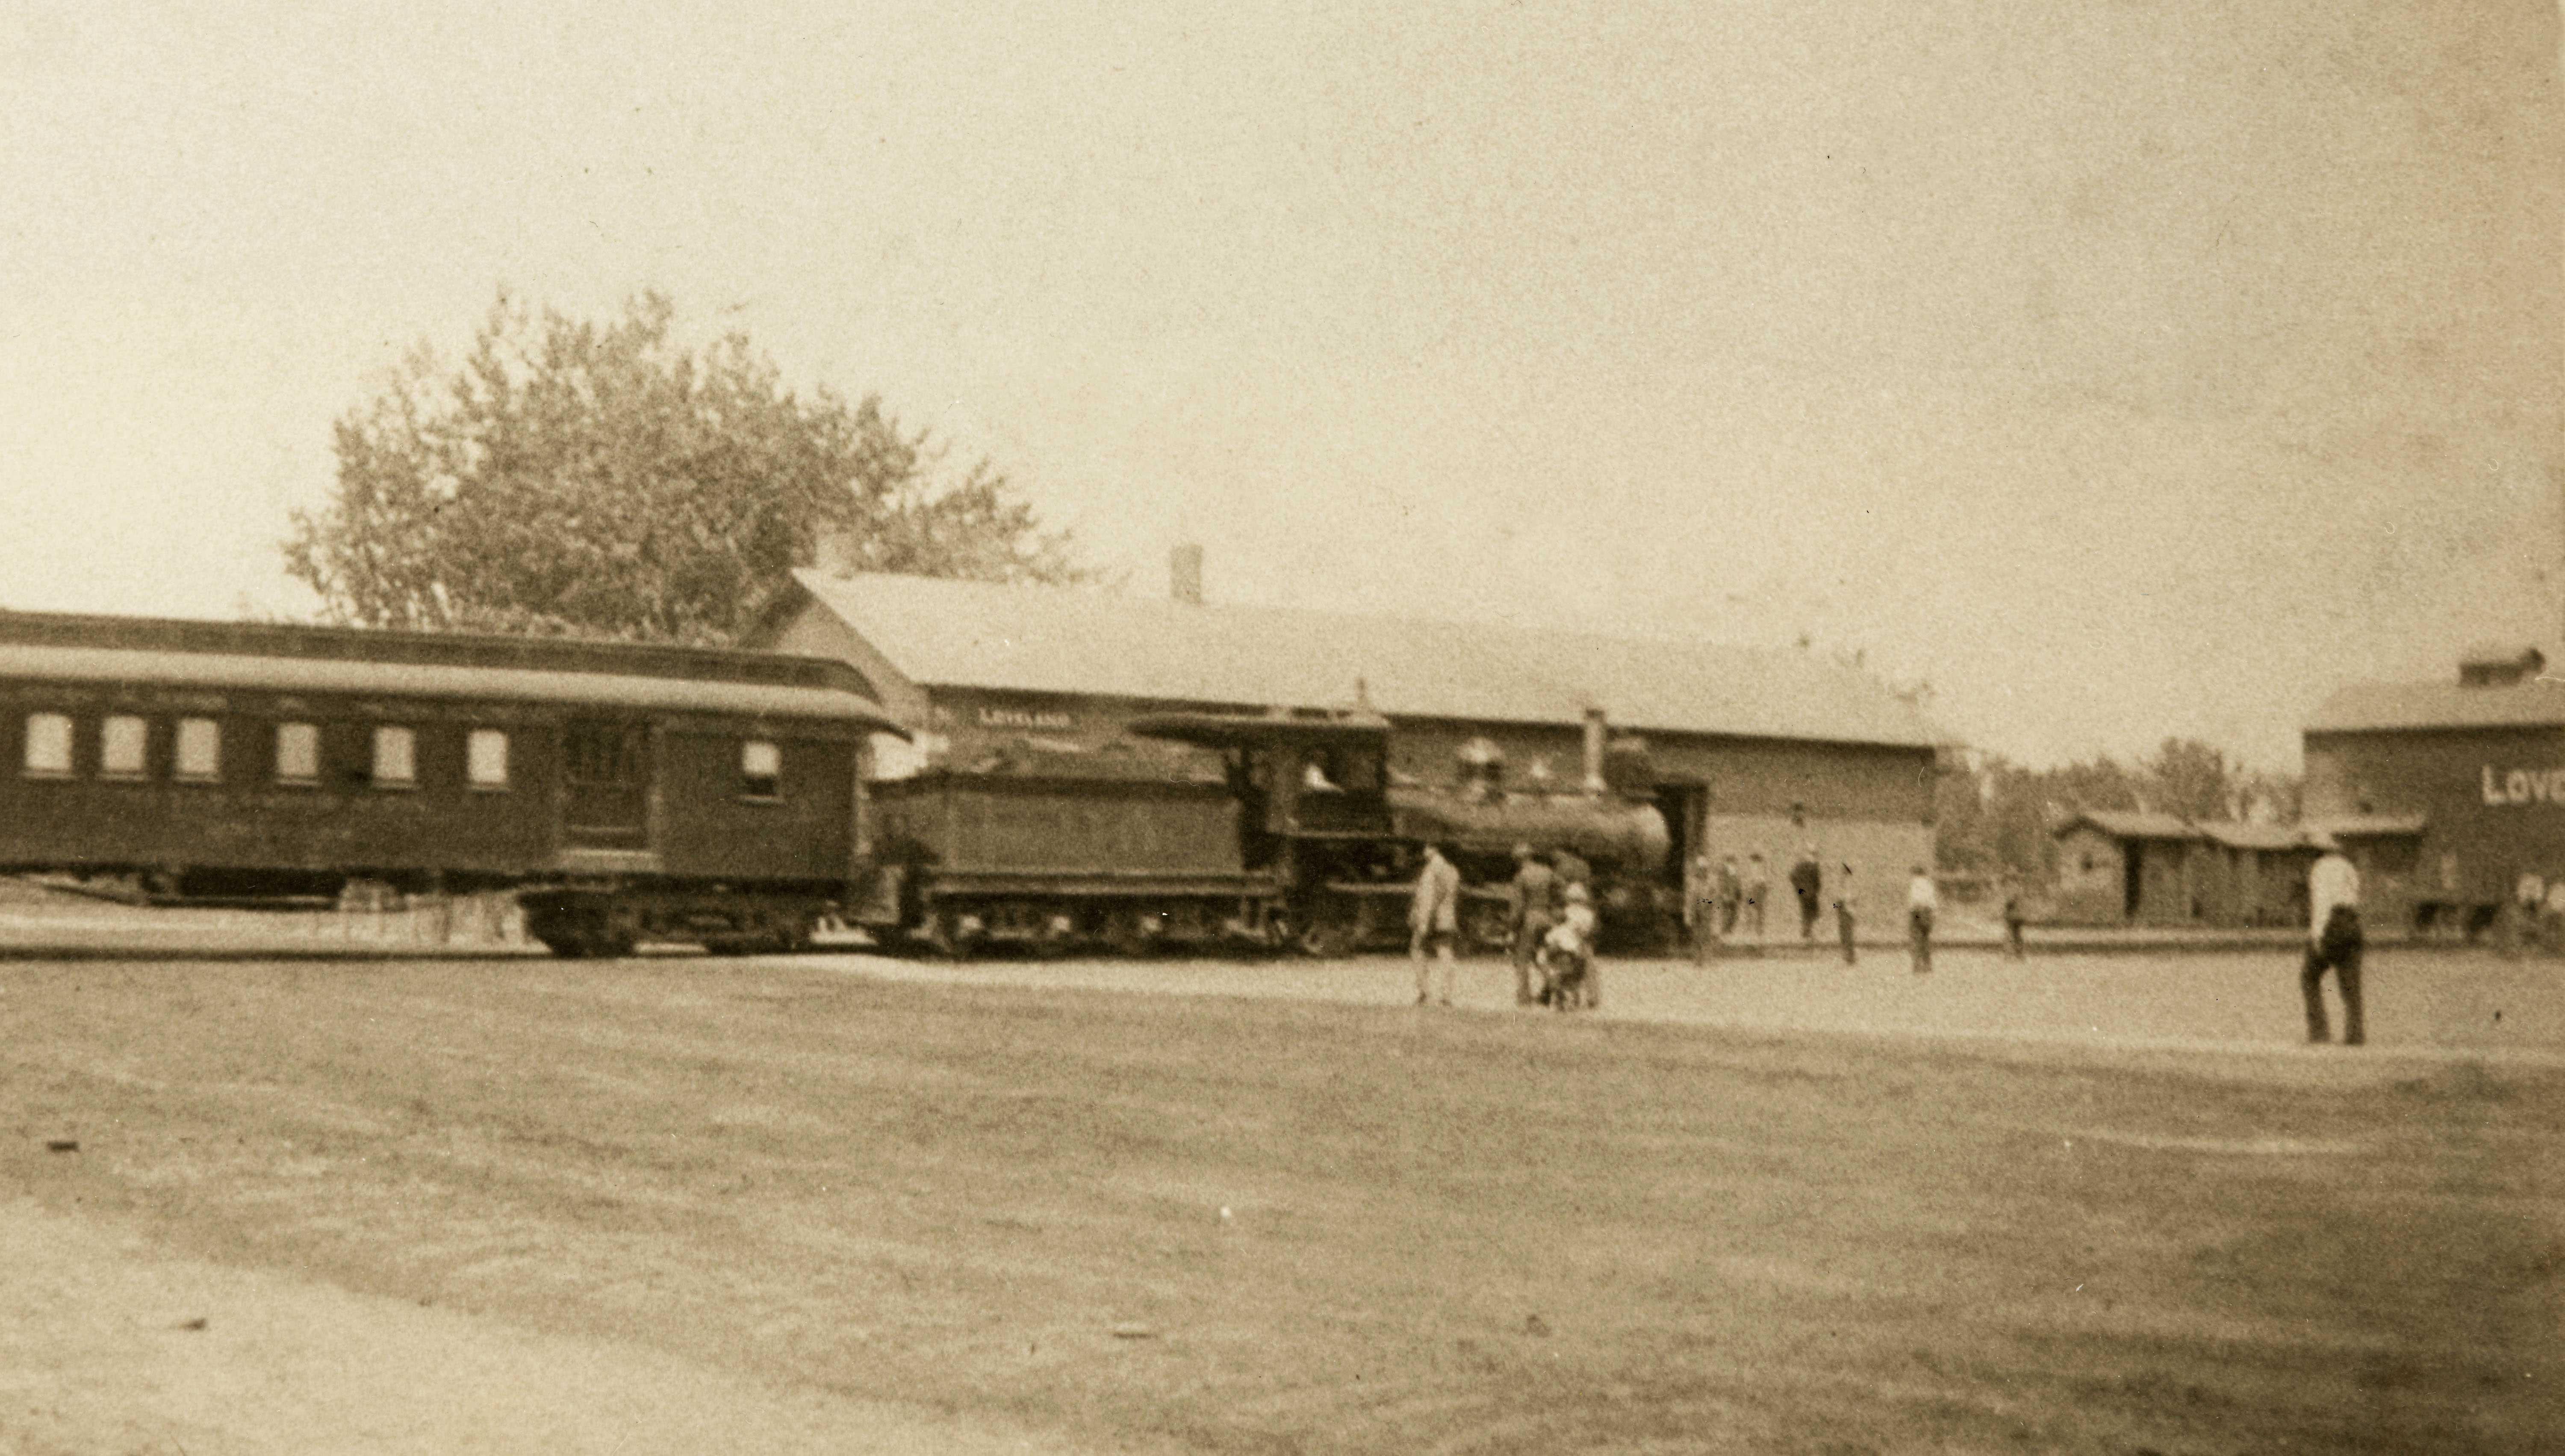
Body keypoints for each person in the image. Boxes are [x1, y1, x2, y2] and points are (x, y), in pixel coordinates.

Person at [2301, 832, 2364, 1046]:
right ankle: (2355, 1035)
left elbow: (2322, 904)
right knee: (2351, 984)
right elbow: (2355, 896)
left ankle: (2319, 1032)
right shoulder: (2348, 867)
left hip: (2332, 924)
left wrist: (2317, 936)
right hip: (2352, 922)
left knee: (2309, 977)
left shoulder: (2319, 869)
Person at [1410, 843, 1462, 1006]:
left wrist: (1424, 921)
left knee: (1418, 951)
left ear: (1434, 850)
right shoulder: (1453, 871)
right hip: (1447, 918)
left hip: (1432, 919)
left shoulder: (1432, 870)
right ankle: (1446, 994)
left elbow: (1430, 897)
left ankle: (1424, 992)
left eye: (1427, 847)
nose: (1424, 851)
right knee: (1445, 954)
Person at [1507, 843, 1559, 1005]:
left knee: (1522, 959)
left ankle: (1524, 998)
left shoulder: (1521, 876)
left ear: (1518, 860)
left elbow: (1518, 907)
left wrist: (1512, 927)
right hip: (1547, 918)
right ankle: (1554, 987)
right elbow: (1560, 891)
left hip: (1530, 920)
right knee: (1542, 957)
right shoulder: (1547, 872)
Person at [1905, 865, 1937, 974]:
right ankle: (1927, 965)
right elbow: (1933, 903)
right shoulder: (1929, 884)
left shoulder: (1915, 884)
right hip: (1928, 913)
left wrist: (1912, 912)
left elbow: (1914, 901)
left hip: (1917, 913)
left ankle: (1917, 965)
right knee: (1925, 939)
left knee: (1916, 939)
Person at [1790, 848, 1825, 940]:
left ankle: (1807, 933)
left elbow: (1793, 877)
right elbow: (1793, 877)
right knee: (1809, 913)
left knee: (1809, 913)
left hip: (1809, 893)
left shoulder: (1804, 865)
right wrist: (1800, 890)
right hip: (1809, 893)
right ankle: (1807, 933)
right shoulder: (1809, 866)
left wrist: (1800, 890)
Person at [1831, 863, 1858, 965]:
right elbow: (1836, 901)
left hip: (1848, 911)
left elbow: (1851, 898)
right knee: (1843, 934)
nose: (1842, 874)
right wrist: (1837, 908)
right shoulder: (1841, 884)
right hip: (1842, 910)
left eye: (1844, 872)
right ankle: (1847, 956)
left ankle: (1850, 957)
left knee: (1848, 934)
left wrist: (1842, 905)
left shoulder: (1850, 884)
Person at [1999, 874, 2028, 961]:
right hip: (2019, 916)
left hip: (2012, 916)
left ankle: (2010, 954)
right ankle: (2019, 954)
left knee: (2010, 935)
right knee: (2017, 935)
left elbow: (2009, 903)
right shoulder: (2021, 890)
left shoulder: (2012, 890)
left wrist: (2005, 912)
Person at [1742, 854, 1770, 940]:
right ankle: (1750, 932)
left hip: (1758, 893)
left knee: (1758, 912)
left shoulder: (1761, 871)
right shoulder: (1751, 870)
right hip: (1752, 893)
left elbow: (1765, 884)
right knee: (1750, 912)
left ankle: (1758, 932)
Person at [1715, 856, 1744, 938]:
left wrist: (1738, 899)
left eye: (1733, 865)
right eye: (1729, 865)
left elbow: (1739, 889)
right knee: (1725, 916)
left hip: (1734, 900)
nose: (1731, 867)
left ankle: (1730, 932)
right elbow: (1721, 887)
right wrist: (1724, 896)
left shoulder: (1737, 877)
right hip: (1725, 900)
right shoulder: (1724, 876)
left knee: (1734, 916)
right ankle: (1724, 933)